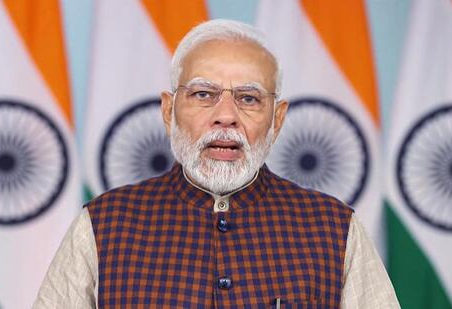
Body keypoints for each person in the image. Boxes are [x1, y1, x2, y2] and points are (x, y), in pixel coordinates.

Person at [33, 19, 399, 308]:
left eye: (249, 98)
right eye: (203, 94)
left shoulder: (333, 228)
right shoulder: (103, 224)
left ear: (278, 119)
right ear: (168, 110)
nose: (226, 116)